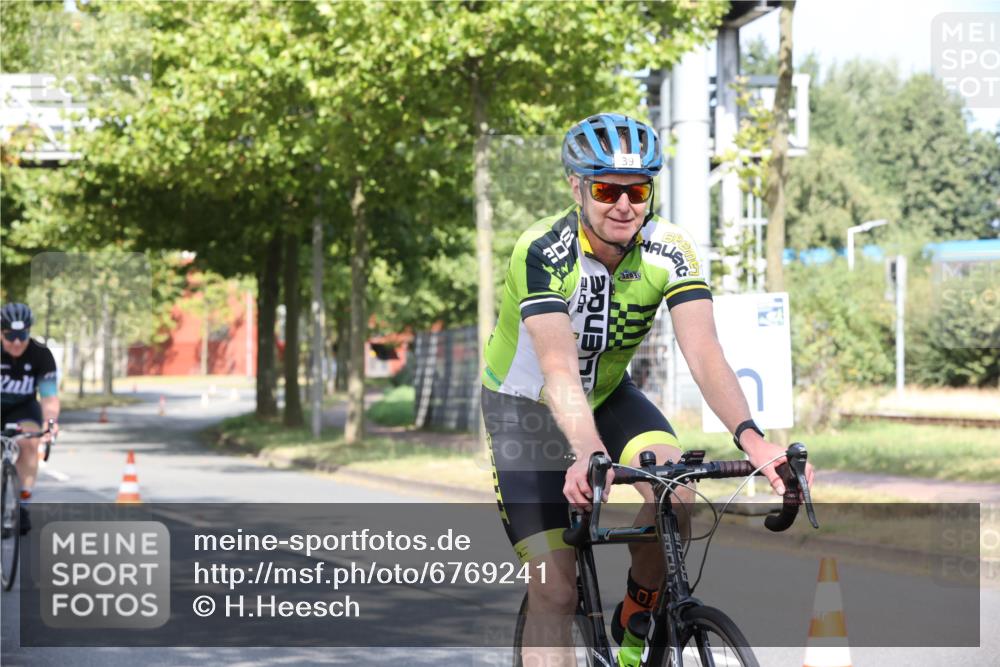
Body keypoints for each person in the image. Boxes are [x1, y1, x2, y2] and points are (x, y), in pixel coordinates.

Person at [481, 113, 814, 664]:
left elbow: (705, 353)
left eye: (636, 190)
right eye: (606, 189)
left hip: (608, 395)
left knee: (676, 493)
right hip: (527, 409)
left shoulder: (670, 247)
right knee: (556, 588)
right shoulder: (542, 250)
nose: (623, 205)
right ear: (577, 187)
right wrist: (589, 453)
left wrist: (755, 442)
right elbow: (559, 369)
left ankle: (637, 622)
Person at [1, 302, 59, 534]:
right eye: (10, 336)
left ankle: (23, 504)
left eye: (22, 335)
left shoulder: (41, 355)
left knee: (29, 443)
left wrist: (50, 423)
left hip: (23, 408)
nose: (16, 342)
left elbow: (49, 397)